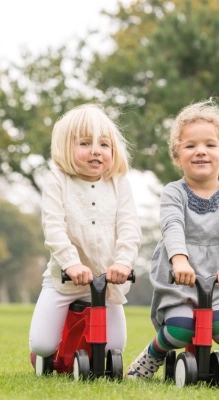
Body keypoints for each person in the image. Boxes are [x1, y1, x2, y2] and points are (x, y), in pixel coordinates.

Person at [126, 99, 219, 385]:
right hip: (178, 276)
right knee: (180, 329)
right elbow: (172, 226)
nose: (200, 151)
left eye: (210, 145)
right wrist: (179, 259)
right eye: (190, 146)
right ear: (178, 156)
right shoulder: (173, 192)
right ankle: (152, 354)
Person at [29, 103, 141, 361]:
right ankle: (52, 349)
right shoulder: (58, 180)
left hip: (107, 280)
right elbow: (54, 228)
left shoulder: (118, 183)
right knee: (43, 346)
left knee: (114, 347)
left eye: (104, 144)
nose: (95, 151)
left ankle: (80, 345)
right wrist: (71, 264)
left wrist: (123, 261)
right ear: (65, 148)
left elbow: (129, 227)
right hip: (66, 280)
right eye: (84, 144)